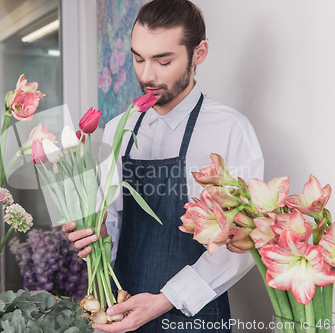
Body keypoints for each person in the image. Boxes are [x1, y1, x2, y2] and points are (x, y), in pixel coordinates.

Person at [62, 0, 264, 332]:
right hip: (121, 306)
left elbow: (242, 244)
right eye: (138, 58)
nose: (146, 75)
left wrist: (166, 298)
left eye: (163, 60)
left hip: (196, 314)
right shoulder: (117, 129)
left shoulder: (230, 130)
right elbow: (109, 218)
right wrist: (92, 235)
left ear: (199, 53)